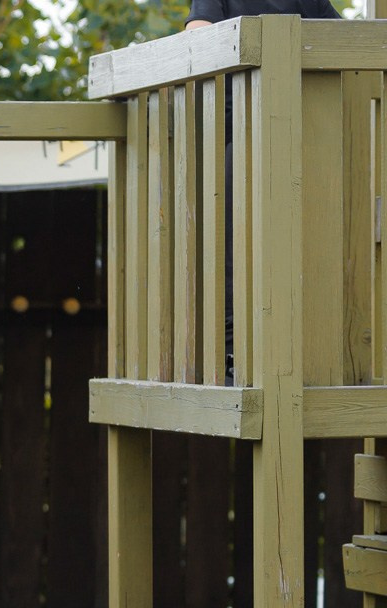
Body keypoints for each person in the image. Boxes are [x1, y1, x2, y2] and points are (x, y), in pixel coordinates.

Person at [183, 0, 341, 381]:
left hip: (295, 135)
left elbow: (346, 39)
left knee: (298, 253)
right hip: (241, 135)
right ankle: (235, 355)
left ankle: (295, 355)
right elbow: (197, 38)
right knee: (235, 254)